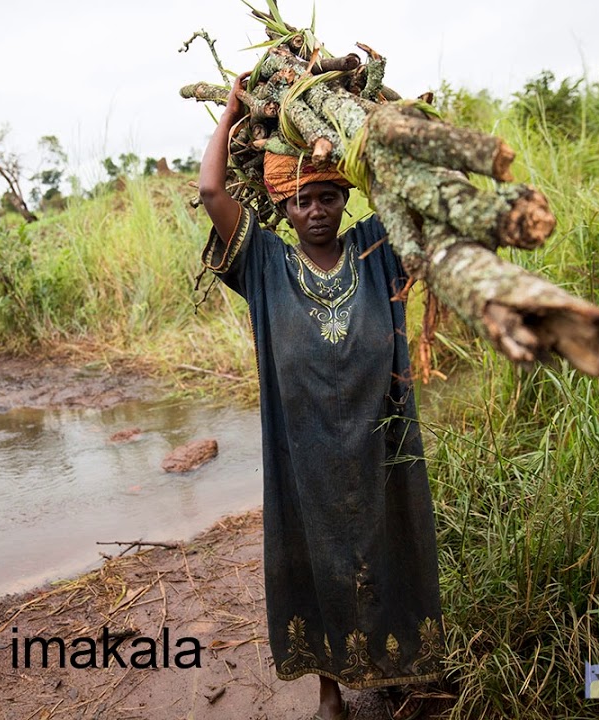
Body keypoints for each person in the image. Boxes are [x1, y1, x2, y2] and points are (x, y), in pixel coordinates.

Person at [198, 74, 443, 720]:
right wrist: (228, 114)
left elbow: (415, 196)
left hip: (379, 440)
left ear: (346, 199)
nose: (316, 209)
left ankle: (406, 673)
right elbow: (209, 191)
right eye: (302, 198)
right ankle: (330, 691)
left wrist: (365, 133)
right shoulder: (266, 265)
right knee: (312, 560)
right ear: (282, 207)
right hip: (301, 453)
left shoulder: (376, 250)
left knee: (395, 547)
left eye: (329, 195)